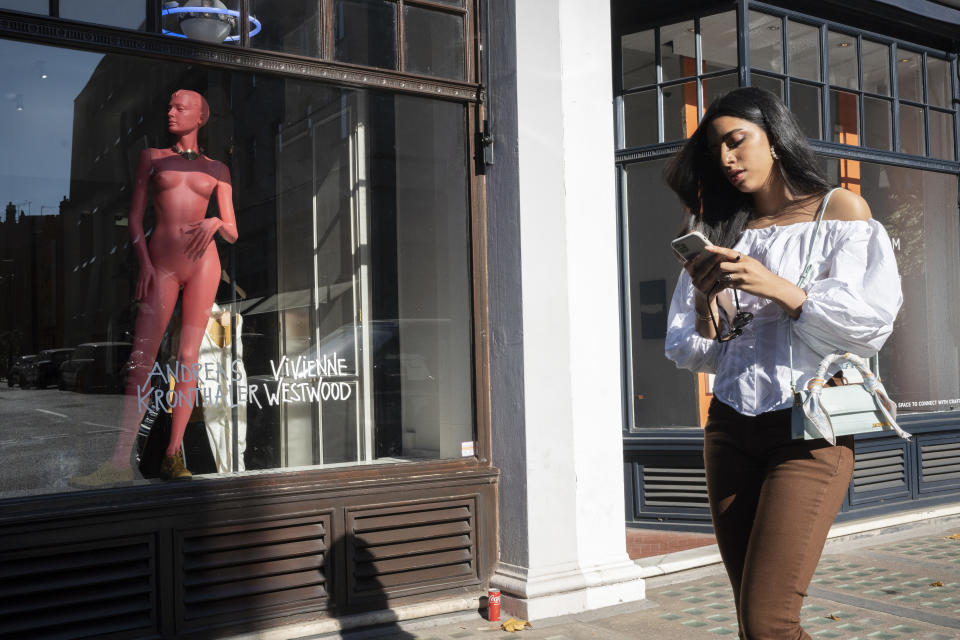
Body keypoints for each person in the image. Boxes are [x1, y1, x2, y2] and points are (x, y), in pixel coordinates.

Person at [663, 87, 901, 639]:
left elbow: (869, 328)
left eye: (737, 140)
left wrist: (779, 288)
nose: (726, 158)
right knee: (752, 620)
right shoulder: (719, 231)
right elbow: (693, 350)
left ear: (774, 136)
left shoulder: (839, 212)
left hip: (810, 434)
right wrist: (705, 300)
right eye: (716, 149)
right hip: (728, 429)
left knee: (771, 622)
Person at [71, 89, 238, 487]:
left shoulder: (218, 169)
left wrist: (214, 223)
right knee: (141, 361)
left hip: (203, 264)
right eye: (169, 106)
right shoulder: (151, 158)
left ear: (201, 116)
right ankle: (117, 462)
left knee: (187, 358)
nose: (171, 112)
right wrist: (144, 263)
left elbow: (231, 230)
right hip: (161, 264)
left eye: (180, 108)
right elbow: (133, 218)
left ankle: (171, 455)